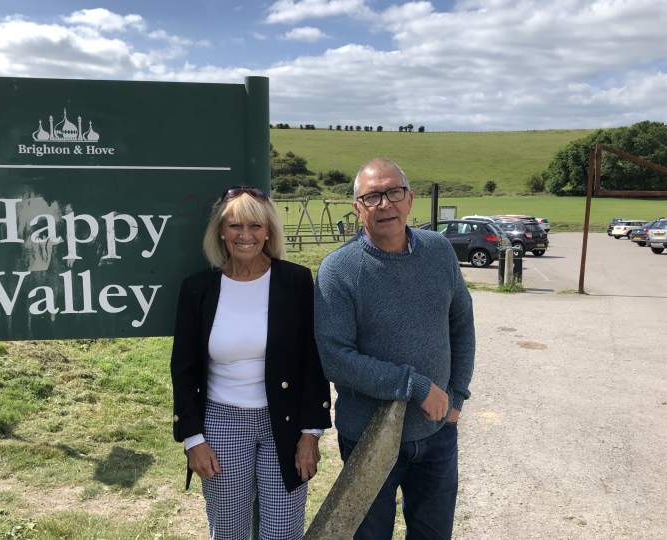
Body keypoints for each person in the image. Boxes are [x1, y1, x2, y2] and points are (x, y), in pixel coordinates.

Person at [314, 158, 476, 540]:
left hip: (437, 433)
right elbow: (336, 357)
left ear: (410, 199)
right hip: (367, 437)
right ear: (358, 208)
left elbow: (462, 325)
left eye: (394, 193)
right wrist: (415, 386)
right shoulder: (338, 270)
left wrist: (457, 401)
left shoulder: (439, 251)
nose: (385, 204)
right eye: (372, 197)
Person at [171, 186, 332, 540]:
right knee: (228, 532)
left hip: (285, 426)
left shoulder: (296, 281)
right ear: (220, 232)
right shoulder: (197, 289)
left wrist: (311, 434)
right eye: (235, 226)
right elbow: (183, 370)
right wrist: (192, 439)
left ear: (269, 230)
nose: (246, 236)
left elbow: (313, 361)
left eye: (256, 226)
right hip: (221, 424)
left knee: (283, 532)